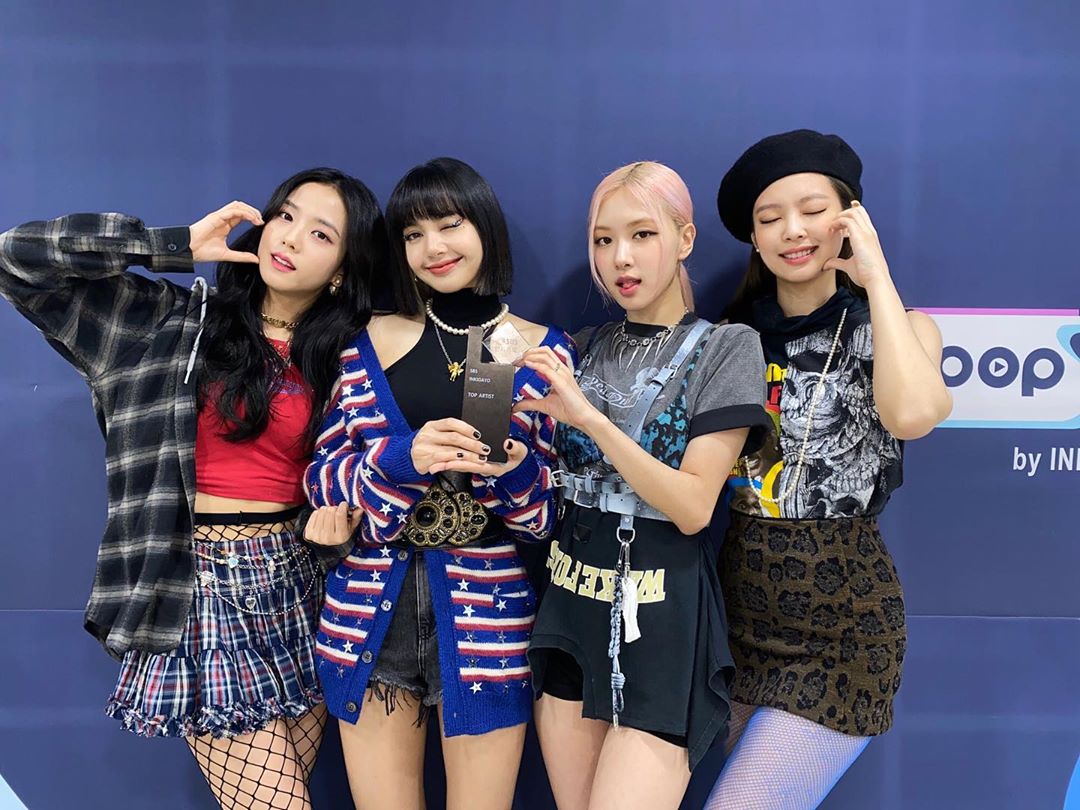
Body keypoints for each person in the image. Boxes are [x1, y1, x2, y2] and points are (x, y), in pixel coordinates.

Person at [0, 167, 386, 810]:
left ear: (343, 271)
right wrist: (172, 244)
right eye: (285, 216)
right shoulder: (169, 322)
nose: (290, 238)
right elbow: (16, 257)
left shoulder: (350, 355)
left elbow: (370, 462)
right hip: (197, 586)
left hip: (302, 585)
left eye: (321, 234)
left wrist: (341, 515)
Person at [303, 157, 575, 810]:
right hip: (368, 611)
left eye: (449, 225)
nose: (433, 247)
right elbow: (321, 477)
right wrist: (403, 460)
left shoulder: (541, 351)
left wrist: (513, 470)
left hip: (487, 619)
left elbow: (547, 518)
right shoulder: (362, 340)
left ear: (484, 226)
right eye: (413, 234)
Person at [706, 129, 952, 809]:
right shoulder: (731, 338)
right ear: (753, 238)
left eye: (813, 210)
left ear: (850, 217)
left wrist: (874, 277)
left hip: (842, 632)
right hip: (734, 623)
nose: (793, 230)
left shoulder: (903, 327)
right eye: (770, 218)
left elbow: (914, 415)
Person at [520, 161, 770, 810]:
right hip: (570, 605)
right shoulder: (582, 347)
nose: (620, 258)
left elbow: (692, 506)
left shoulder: (727, 348)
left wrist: (589, 418)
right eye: (603, 240)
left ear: (684, 239)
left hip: (659, 618)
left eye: (642, 234)